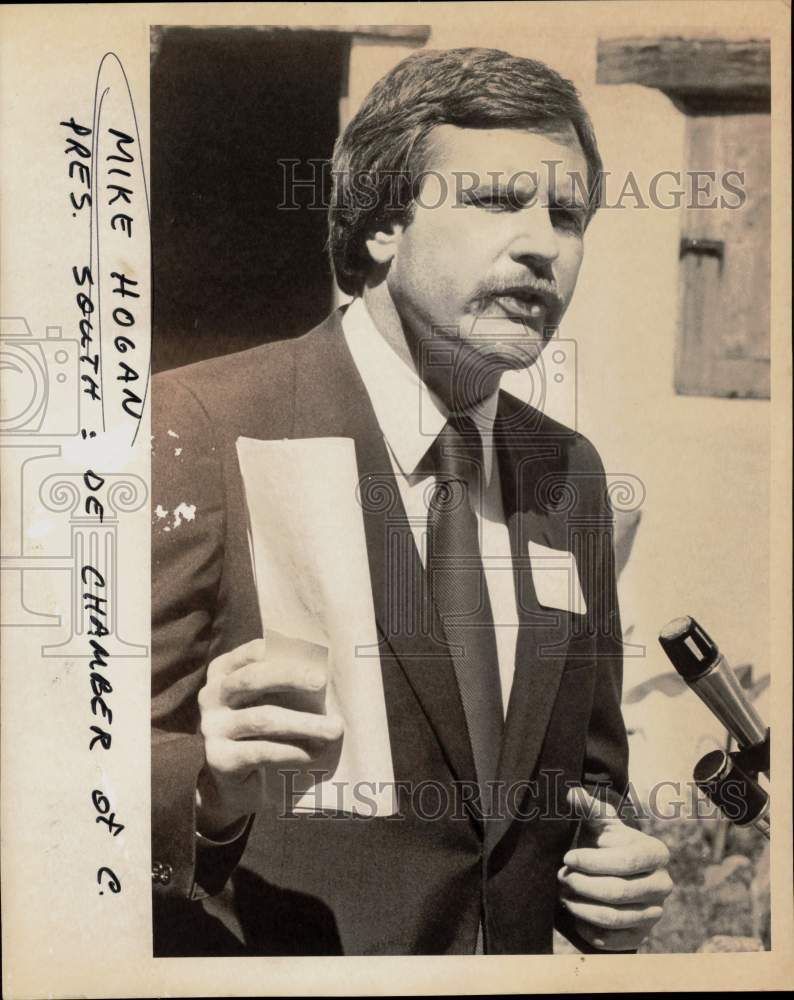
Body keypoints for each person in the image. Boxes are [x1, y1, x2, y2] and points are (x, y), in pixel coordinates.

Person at [151, 46, 672, 956]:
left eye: (568, 215)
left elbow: (587, 781)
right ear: (384, 225)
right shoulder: (201, 422)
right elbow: (70, 771)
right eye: (498, 200)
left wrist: (613, 864)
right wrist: (209, 795)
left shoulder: (570, 474)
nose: (543, 245)